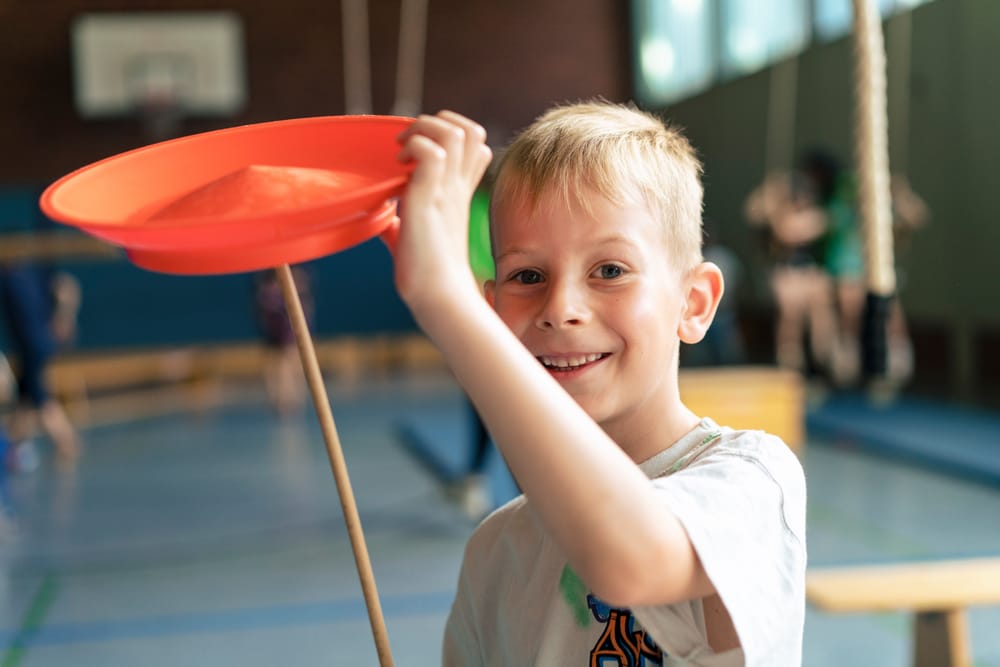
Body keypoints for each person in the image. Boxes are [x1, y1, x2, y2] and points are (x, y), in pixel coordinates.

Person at [389, 102, 806, 665]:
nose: (560, 308)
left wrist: (445, 299)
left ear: (693, 303)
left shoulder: (751, 480)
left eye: (610, 271)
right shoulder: (495, 550)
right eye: (527, 276)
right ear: (493, 310)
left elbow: (630, 562)